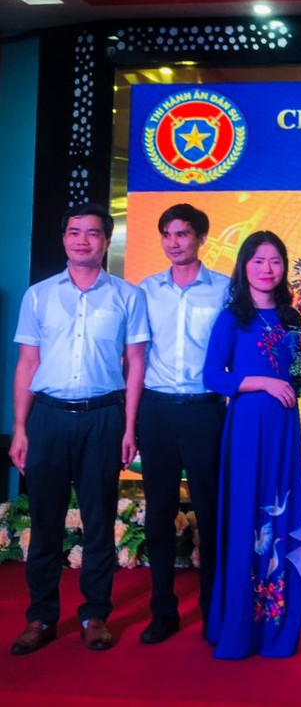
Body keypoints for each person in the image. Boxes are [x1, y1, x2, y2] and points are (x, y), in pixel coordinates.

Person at [9, 202, 149, 654]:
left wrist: (129, 427)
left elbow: (135, 365)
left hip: (103, 418)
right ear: (64, 239)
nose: (82, 240)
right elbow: (27, 363)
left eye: (92, 233)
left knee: (99, 521)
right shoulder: (38, 296)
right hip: (48, 418)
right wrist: (20, 427)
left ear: (106, 241)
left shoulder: (128, 296)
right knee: (45, 523)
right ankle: (40, 617)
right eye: (74, 232)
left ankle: (95, 615)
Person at [203, 230, 301, 659]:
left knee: (282, 513)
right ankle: (240, 625)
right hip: (246, 427)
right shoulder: (232, 318)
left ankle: (275, 624)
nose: (267, 269)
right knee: (246, 514)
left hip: (283, 429)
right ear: (244, 265)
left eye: (275, 261)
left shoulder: (291, 318)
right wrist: (262, 382)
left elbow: (297, 376)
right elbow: (212, 376)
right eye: (259, 260)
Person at [137, 203, 230, 644]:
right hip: (156, 410)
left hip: (204, 410)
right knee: (158, 514)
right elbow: (136, 356)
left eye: (183, 234)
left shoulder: (226, 289)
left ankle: (213, 610)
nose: (174, 243)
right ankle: (163, 611)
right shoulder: (146, 290)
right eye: (167, 235)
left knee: (210, 513)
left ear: (201, 238)